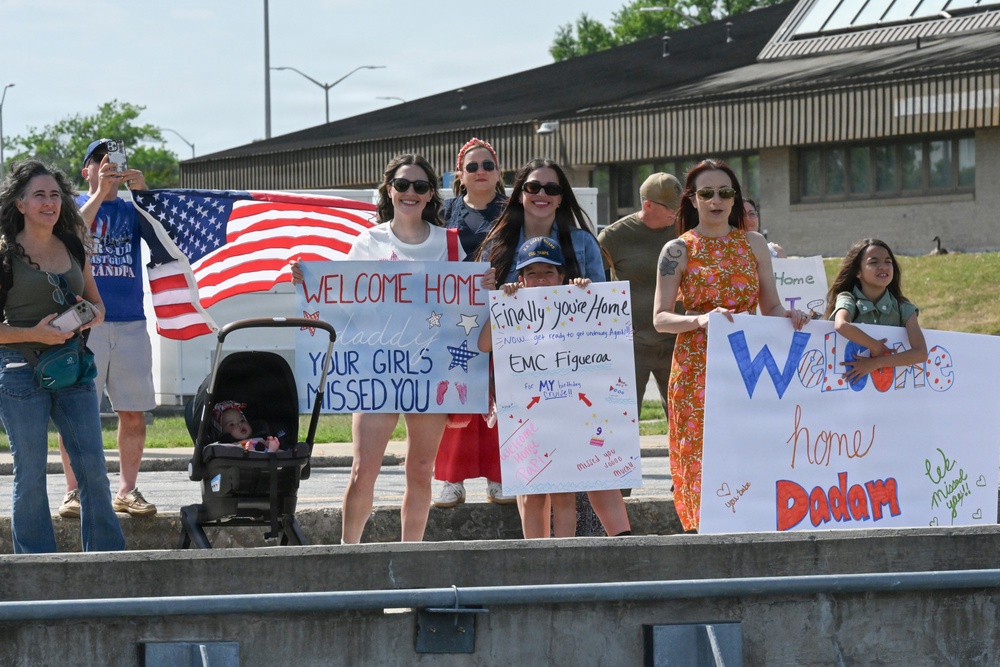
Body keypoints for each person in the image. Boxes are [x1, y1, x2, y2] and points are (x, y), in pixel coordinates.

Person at [652, 158, 809, 533]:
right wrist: (701, 319)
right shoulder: (677, 249)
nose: (716, 199)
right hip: (696, 368)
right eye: (706, 193)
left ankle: (752, 527)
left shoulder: (753, 244)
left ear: (735, 198)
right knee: (702, 454)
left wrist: (791, 316)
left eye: (725, 192)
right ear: (692, 200)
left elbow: (770, 305)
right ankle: (702, 532)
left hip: (748, 363)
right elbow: (660, 318)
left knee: (749, 447)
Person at [479, 159, 631, 537]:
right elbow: (481, 320)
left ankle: (619, 546)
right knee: (529, 478)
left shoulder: (582, 243)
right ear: (519, 194)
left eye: (551, 188)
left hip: (578, 375)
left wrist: (584, 294)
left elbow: (604, 314)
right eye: (533, 187)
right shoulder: (496, 245)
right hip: (521, 379)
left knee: (586, 471)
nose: (542, 195)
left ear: (562, 197)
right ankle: (538, 560)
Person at [340, 153, 468, 543]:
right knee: (364, 469)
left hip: (430, 370)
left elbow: (463, 307)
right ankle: (348, 556)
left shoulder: (449, 243)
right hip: (379, 366)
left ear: (431, 194)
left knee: (422, 468)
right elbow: (342, 299)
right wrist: (307, 280)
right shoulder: (368, 241)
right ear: (389, 190)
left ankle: (410, 560)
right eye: (402, 185)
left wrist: (481, 288)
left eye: (420, 186)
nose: (410, 192)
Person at [0, 160, 125, 553]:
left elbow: (96, 302)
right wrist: (34, 333)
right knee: (31, 473)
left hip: (74, 370)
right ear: (20, 203)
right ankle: (37, 570)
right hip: (20, 372)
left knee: (94, 469)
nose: (49, 202)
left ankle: (109, 564)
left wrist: (92, 314)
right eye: (39, 194)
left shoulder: (72, 243)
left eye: (55, 194)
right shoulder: (4, 253)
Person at [57, 139, 157, 519]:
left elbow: (164, 240)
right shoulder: (72, 207)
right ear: (87, 171)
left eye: (115, 161)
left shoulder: (132, 210)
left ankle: (128, 490)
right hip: (85, 323)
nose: (109, 167)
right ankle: (73, 491)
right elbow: (71, 236)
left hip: (130, 321)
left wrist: (143, 194)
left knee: (133, 413)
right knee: (77, 410)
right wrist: (100, 193)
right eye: (100, 162)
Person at [478, 236, 592, 538]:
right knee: (530, 493)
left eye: (548, 272)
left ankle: (565, 558)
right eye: (532, 273)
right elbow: (484, 344)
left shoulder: (574, 302)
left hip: (567, 413)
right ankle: (536, 561)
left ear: (562, 276)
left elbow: (602, 337)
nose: (540, 280)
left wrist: (583, 295)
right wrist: (502, 305)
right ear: (521, 278)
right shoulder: (511, 306)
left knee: (565, 493)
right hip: (524, 417)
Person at [432, 138, 514, 508]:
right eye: (472, 167)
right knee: (455, 393)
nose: (480, 172)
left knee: (502, 393)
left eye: (487, 166)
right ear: (460, 174)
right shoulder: (442, 212)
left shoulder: (515, 211)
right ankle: (451, 479)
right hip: (453, 318)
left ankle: (501, 476)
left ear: (498, 172)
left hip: (503, 313)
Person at [598, 172, 682, 419]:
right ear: (648, 204)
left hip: (676, 344)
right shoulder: (614, 237)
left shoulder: (685, 229)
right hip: (631, 347)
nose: (676, 213)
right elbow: (594, 285)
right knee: (621, 421)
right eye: (670, 208)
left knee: (684, 421)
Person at [825, 238, 927, 383]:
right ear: (858, 272)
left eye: (888, 261)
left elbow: (921, 353)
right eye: (873, 262)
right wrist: (876, 347)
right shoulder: (847, 298)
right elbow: (841, 325)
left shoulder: (903, 306)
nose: (883, 266)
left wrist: (876, 362)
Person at [212, 400, 287, 452]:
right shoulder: (230, 447)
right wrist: (271, 450)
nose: (240, 424)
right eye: (232, 424)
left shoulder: (260, 437)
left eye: (242, 420)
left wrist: (268, 444)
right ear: (222, 432)